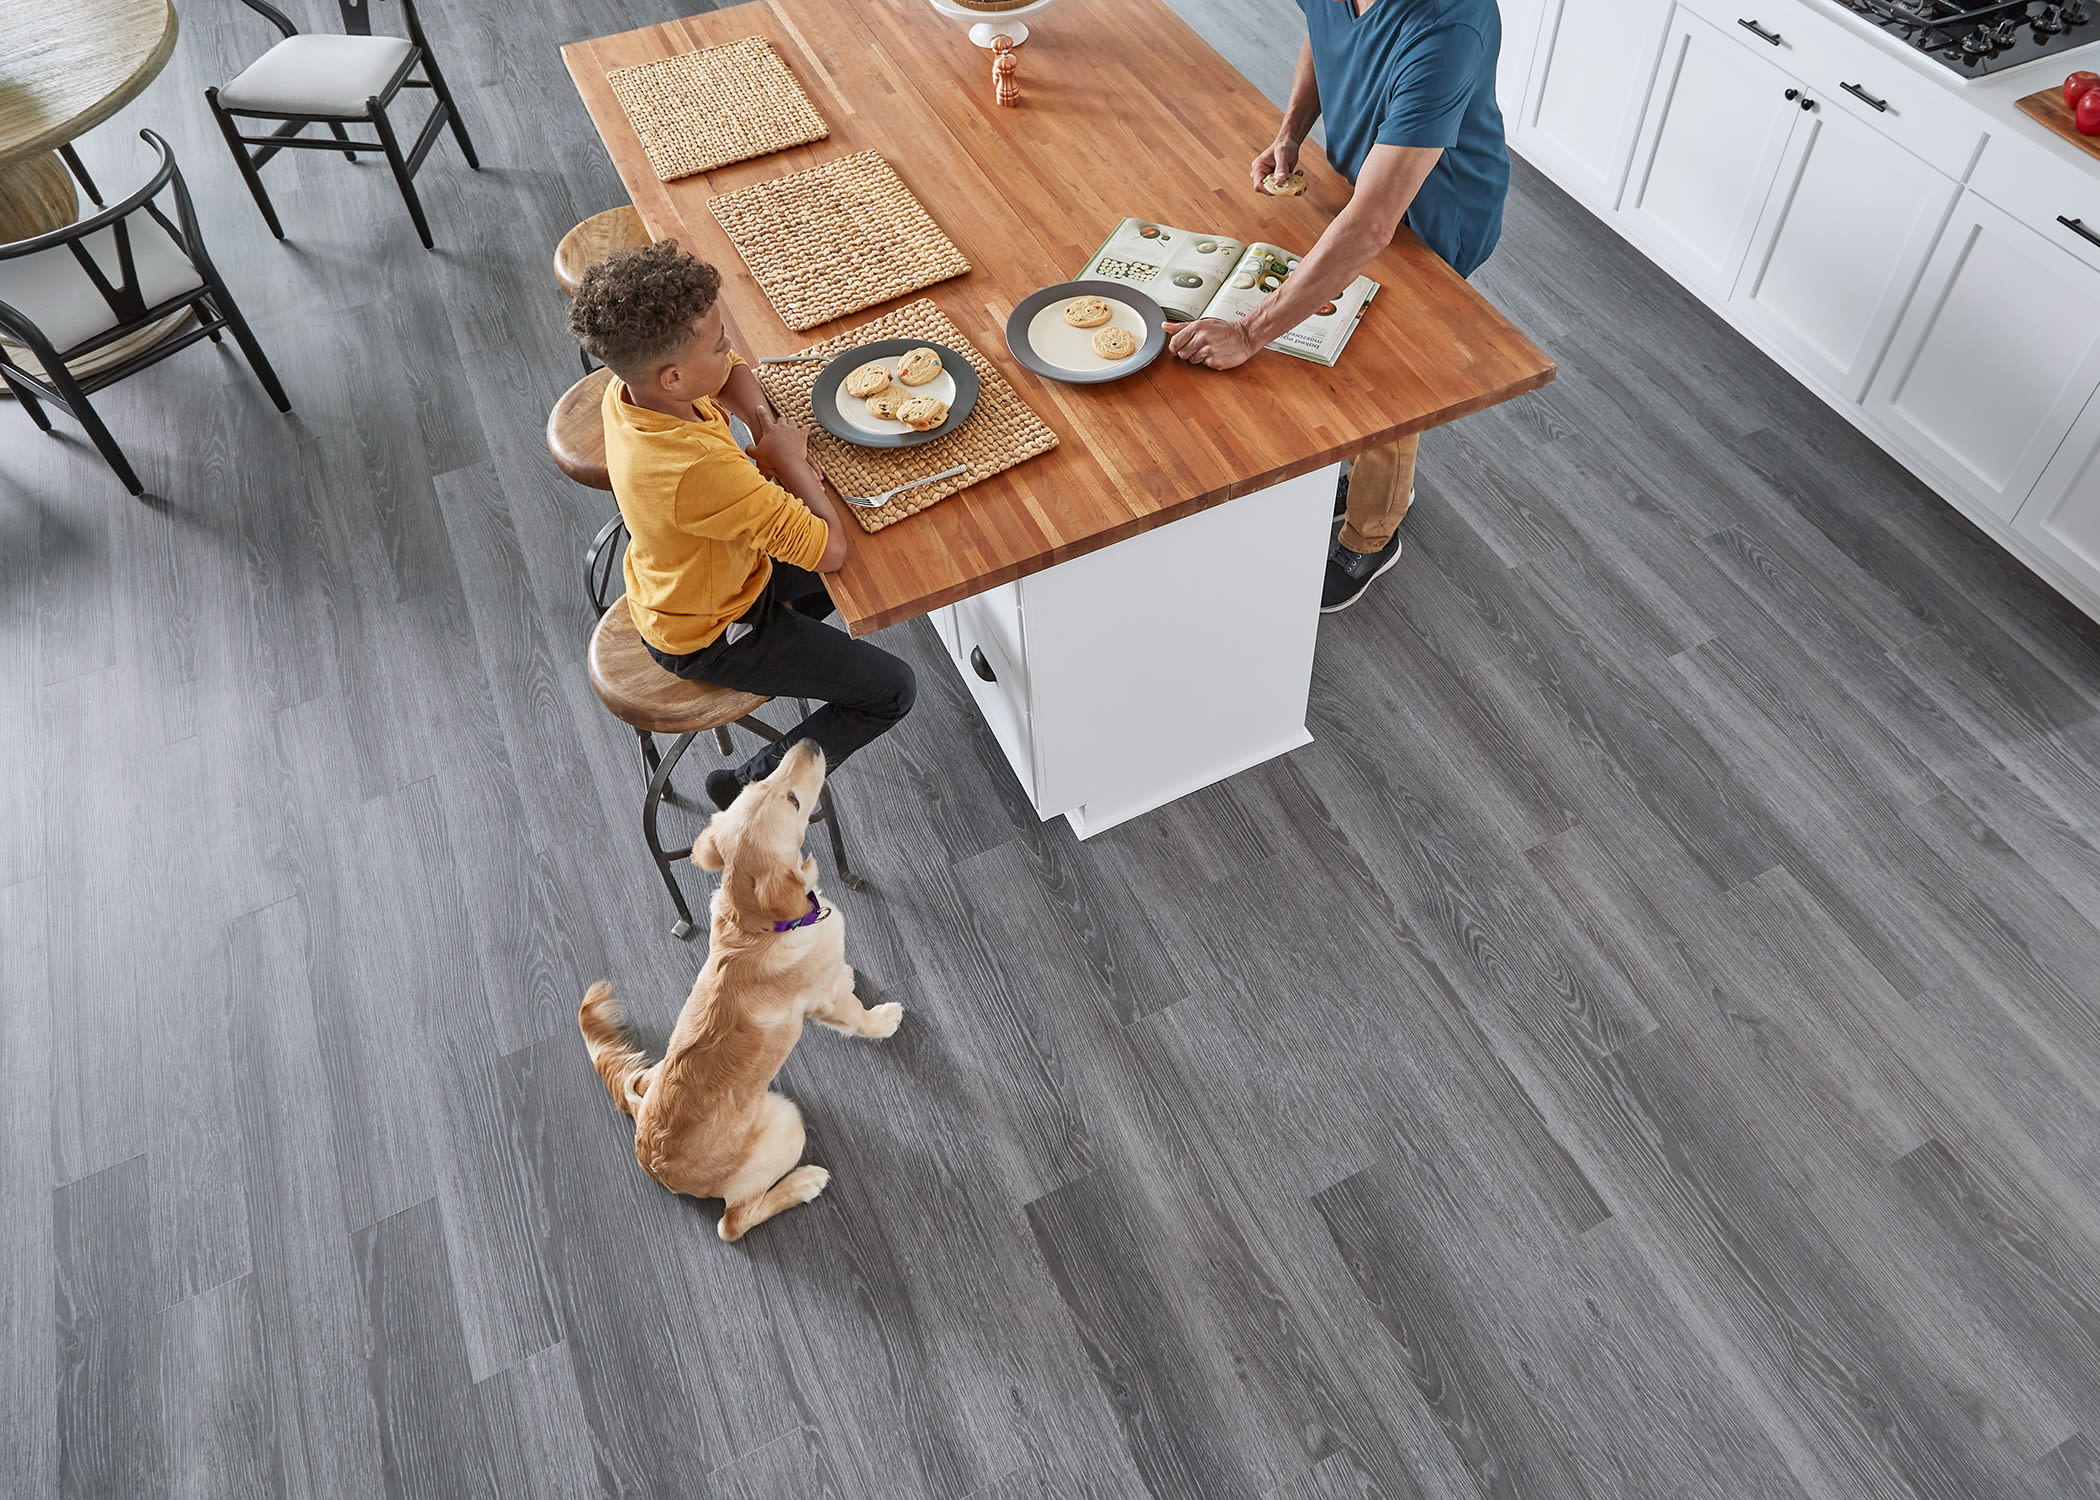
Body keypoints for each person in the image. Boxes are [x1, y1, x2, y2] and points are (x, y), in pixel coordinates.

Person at [1168, 0, 1509, 613]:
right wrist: (1291, 131)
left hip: (1436, 214)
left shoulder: (1451, 26)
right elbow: (1322, 38)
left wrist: (1249, 333)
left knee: (1385, 373)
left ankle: (1372, 534)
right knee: (1341, 337)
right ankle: (1357, 482)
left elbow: (1374, 224)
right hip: (1367, 181)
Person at [568, 241, 915, 810]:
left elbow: (732, 375)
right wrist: (788, 463)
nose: (730, 350)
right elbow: (830, 551)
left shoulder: (632, 393)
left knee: (864, 564)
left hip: (710, 572)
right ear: (675, 376)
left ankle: (792, 639)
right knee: (893, 688)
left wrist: (761, 425)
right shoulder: (701, 471)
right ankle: (747, 786)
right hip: (709, 632)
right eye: (719, 341)